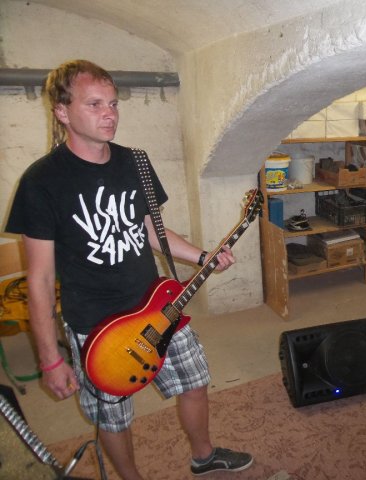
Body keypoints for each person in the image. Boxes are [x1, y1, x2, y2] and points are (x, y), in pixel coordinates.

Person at [5, 60, 253, 479]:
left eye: (114, 104)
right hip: (95, 322)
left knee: (195, 381)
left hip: (156, 304)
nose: (109, 114)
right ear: (62, 111)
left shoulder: (135, 162)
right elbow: (41, 279)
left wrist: (202, 256)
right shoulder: (41, 181)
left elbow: (151, 229)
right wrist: (49, 359)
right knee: (114, 416)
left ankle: (204, 455)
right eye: (95, 104)